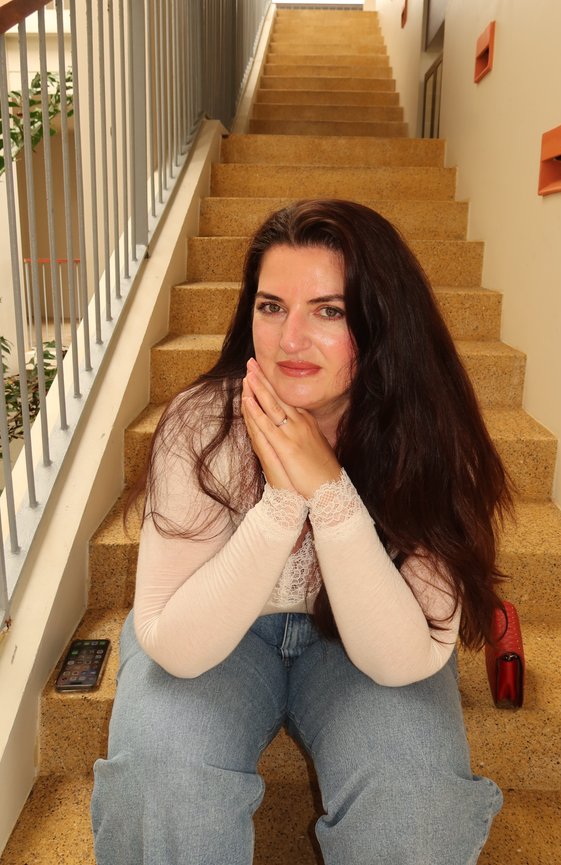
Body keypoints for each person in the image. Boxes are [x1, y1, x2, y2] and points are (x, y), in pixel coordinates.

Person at [91, 199, 512, 865]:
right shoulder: (202, 426)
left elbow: (405, 658)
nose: (290, 340)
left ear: (380, 320)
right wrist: (282, 504)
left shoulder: (429, 436)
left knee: (415, 807)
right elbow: (173, 640)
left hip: (361, 636)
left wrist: (331, 494)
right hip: (217, 634)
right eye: (270, 305)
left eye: (329, 309)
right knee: (163, 785)